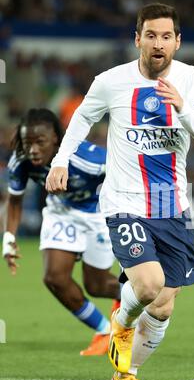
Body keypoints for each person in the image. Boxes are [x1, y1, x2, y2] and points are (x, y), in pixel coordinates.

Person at [46, 3, 194, 380]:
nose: (158, 43)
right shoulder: (110, 81)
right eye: (151, 35)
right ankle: (120, 322)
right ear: (137, 38)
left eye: (166, 36)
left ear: (177, 42)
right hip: (124, 200)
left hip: (171, 204)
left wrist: (183, 108)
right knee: (149, 284)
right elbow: (82, 119)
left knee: (163, 306)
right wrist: (60, 161)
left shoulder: (193, 80)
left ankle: (127, 372)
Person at [2, 108, 120, 356]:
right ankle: (104, 331)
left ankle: (136, 295)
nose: (32, 149)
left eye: (39, 142)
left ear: (56, 138)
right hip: (61, 212)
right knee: (54, 278)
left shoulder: (89, 159)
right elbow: (14, 201)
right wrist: (9, 238)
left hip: (97, 215)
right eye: (27, 143)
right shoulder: (20, 161)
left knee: (97, 285)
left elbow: (127, 172)